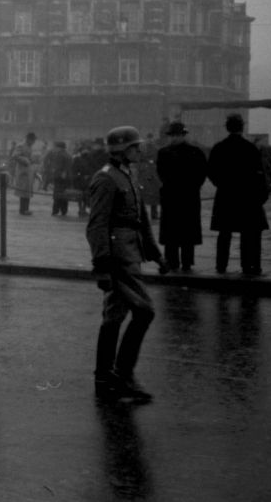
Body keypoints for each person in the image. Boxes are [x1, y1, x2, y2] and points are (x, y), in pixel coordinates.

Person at [87, 126, 166, 402]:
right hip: (117, 257)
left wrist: (156, 254)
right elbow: (97, 225)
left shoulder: (128, 175)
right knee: (145, 312)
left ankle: (105, 377)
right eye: (134, 147)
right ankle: (122, 374)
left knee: (114, 316)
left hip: (130, 253)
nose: (139, 150)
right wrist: (101, 265)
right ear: (121, 150)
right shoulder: (106, 178)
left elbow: (141, 220)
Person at [207, 113, 270, 276]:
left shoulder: (219, 147)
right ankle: (248, 266)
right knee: (248, 233)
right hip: (246, 197)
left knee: (224, 233)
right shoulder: (250, 148)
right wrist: (260, 196)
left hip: (226, 195)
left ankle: (221, 265)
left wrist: (222, 184)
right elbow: (259, 175)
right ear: (242, 127)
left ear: (227, 128)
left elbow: (211, 172)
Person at [156, 122, 208, 272]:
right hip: (186, 196)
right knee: (185, 230)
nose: (173, 138)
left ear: (183, 135)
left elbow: (201, 173)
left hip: (177, 195)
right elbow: (201, 173)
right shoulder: (194, 152)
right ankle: (178, 261)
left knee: (176, 231)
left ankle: (182, 261)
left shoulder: (165, 153)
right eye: (172, 135)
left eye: (176, 135)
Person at [43, 141, 73, 216]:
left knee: (57, 194)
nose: (55, 148)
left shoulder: (59, 155)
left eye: (56, 147)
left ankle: (55, 210)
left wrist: (53, 173)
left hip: (59, 177)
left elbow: (58, 167)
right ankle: (64, 210)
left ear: (59, 147)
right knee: (65, 194)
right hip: (67, 177)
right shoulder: (68, 154)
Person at [10, 143, 34, 215]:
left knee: (27, 192)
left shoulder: (29, 147)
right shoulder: (21, 146)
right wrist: (25, 160)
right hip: (23, 172)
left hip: (28, 171)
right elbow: (15, 156)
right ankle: (23, 210)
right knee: (23, 191)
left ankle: (26, 209)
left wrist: (31, 160)